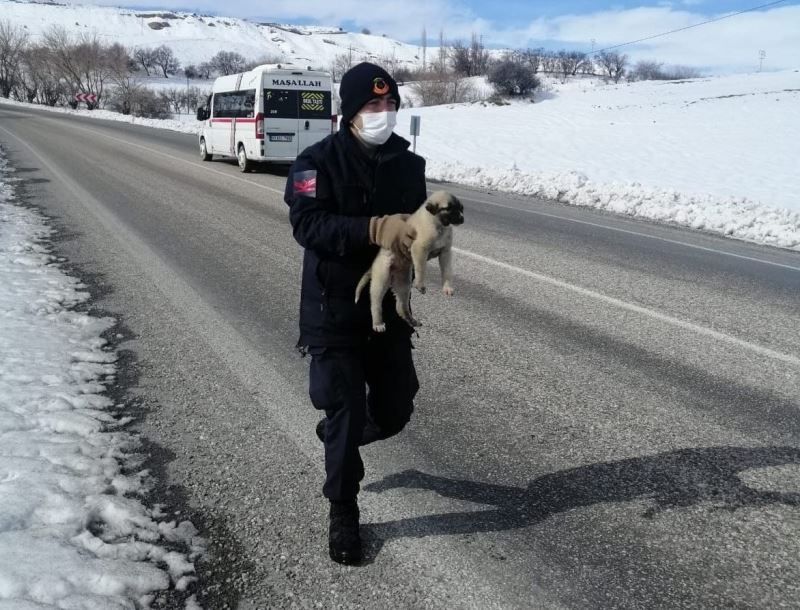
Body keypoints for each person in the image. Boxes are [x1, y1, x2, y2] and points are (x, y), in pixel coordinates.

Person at [284, 62, 427, 565]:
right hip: (334, 308)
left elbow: (418, 224)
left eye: (390, 105)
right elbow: (308, 226)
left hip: (386, 309)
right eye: (373, 106)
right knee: (344, 409)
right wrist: (371, 229)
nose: (383, 114)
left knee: (395, 409)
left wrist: (423, 243)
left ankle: (339, 434)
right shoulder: (314, 161)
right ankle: (343, 508)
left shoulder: (409, 166)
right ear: (350, 111)